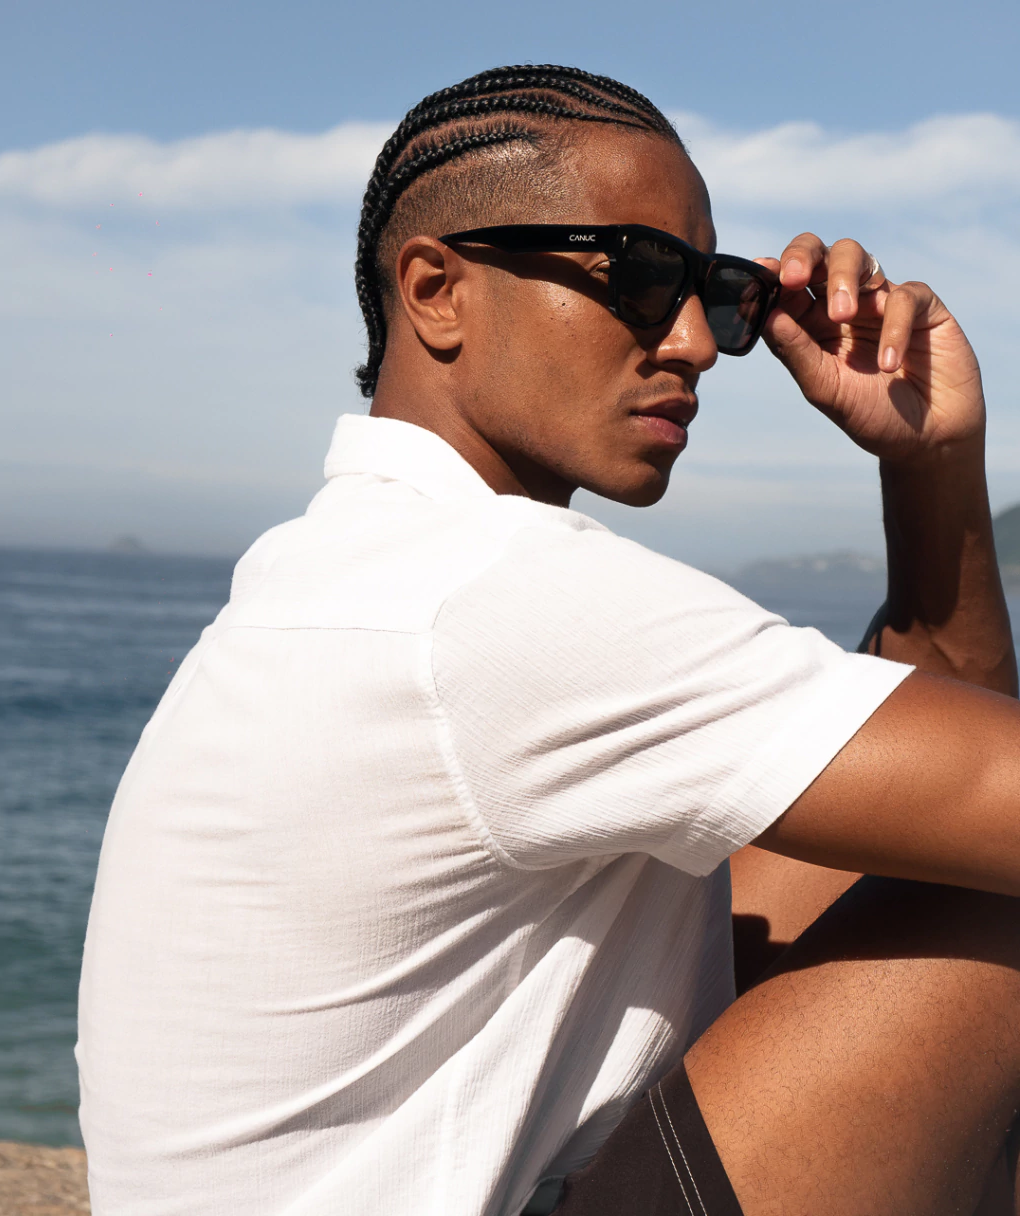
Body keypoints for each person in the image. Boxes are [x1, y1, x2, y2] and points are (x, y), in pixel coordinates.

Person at [76, 65, 1020, 1216]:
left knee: (919, 845)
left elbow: (960, 762)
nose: (696, 342)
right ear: (436, 291)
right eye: (640, 274)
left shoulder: (362, 565)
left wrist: (928, 462)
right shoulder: (495, 594)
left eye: (717, 291)